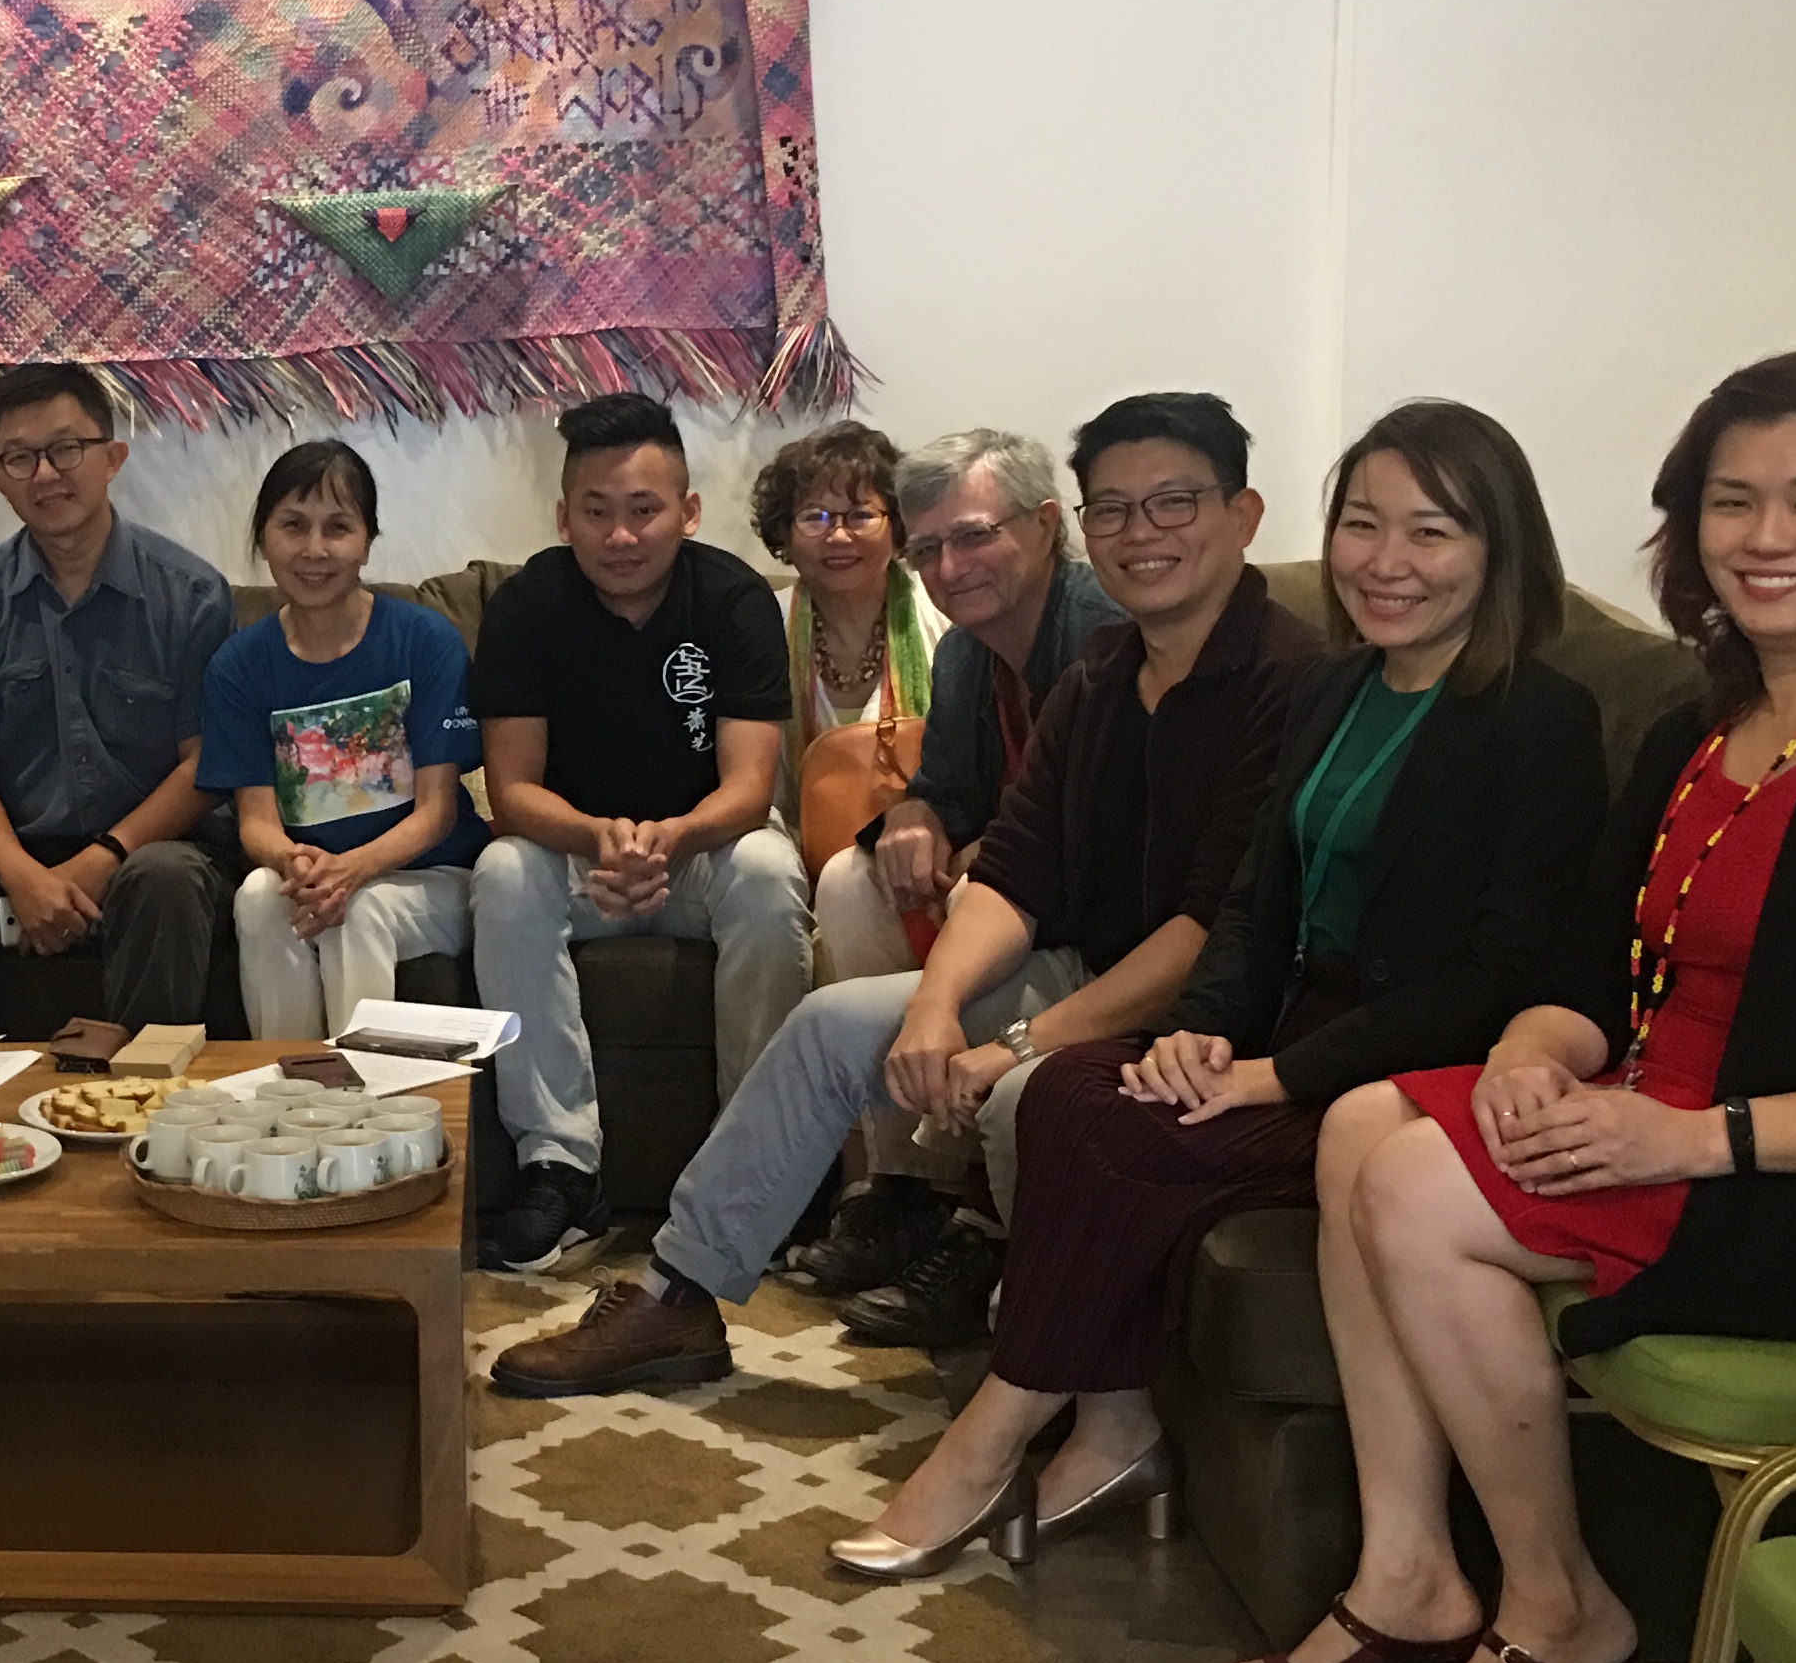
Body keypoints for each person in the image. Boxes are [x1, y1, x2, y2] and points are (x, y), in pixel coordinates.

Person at [1224, 353, 1796, 1663]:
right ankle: (1407, 1572)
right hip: (1674, 1121)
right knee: (1363, 1122)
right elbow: (1585, 973)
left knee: (1423, 1194)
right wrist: (1530, 1053)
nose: (1766, 536)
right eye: (1730, 502)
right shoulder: (1703, 723)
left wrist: (1696, 1139)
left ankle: (1560, 1611)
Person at [841, 403, 1603, 1577]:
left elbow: (1502, 973)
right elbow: (1251, 899)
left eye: (1432, 532)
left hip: (1404, 1070)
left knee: (1105, 1128)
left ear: (1498, 547)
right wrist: (1199, 1034)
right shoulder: (1337, 689)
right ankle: (1113, 1430)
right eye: (1362, 525)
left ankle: (993, 1437)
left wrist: (1274, 1076)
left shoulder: (1538, 718)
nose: (1387, 562)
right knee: (1071, 1092)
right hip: (1282, 1023)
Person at [505, 389, 1325, 1396]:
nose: (1139, 534)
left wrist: (1013, 1043)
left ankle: (1033, 1351)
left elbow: (1209, 933)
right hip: (1083, 964)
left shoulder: (1292, 680)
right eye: (1114, 509)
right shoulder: (1104, 671)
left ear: (1241, 515)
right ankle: (676, 1297)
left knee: (1025, 1091)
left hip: (1211, 1020)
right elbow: (1017, 860)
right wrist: (934, 1006)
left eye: (1172, 504)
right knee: (827, 1026)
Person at [466, 393, 805, 1273]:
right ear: (564, 518)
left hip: (700, 853)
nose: (621, 536)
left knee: (769, 870)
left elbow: (749, 788)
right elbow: (512, 791)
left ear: (687, 512)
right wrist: (600, 841)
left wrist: (667, 841)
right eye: (597, 512)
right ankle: (559, 1168)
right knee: (503, 871)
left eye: (644, 510)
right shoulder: (528, 605)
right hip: (579, 857)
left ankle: (756, 1168)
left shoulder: (732, 599)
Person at [787, 426, 1124, 1300]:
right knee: (851, 882)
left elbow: (1086, 830)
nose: (949, 567)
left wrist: (977, 847)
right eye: (930, 548)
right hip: (1013, 876)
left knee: (977, 886)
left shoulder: (1101, 634)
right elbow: (943, 788)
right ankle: (907, 1187)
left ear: (1045, 525)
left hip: (1095, 912)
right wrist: (914, 815)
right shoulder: (970, 649)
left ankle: (978, 1214)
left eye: (973, 536)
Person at [0, 362, 235, 1034]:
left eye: (66, 448)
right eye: (20, 457)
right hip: (11, 848)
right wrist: (20, 875)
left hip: (148, 848)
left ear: (112, 457)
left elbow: (206, 765)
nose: (45, 474)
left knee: (165, 878)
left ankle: (146, 1087)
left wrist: (105, 858)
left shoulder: (191, 594)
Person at [200, 438, 485, 1039]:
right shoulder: (238, 666)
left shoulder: (425, 641)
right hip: (317, 876)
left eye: (338, 527)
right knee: (258, 896)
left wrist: (349, 872)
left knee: (358, 909)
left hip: (435, 879)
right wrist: (293, 862)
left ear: (367, 541)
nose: (315, 549)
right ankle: (289, 1081)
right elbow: (256, 822)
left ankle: (362, 1092)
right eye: (293, 526)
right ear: (263, 538)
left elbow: (436, 813)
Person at [751, 420, 934, 927]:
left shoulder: (944, 614)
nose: (838, 535)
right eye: (814, 517)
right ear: (785, 532)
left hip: (923, 848)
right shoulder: (759, 625)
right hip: (787, 860)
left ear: (898, 525)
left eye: (860, 515)